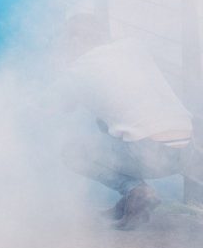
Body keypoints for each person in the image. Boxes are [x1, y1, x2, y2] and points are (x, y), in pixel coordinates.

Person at [59, 14, 200, 230]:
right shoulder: (133, 47)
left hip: (148, 151)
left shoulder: (79, 68)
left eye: (68, 39)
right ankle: (131, 199)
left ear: (76, 40)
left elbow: (59, 106)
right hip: (188, 149)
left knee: (73, 152)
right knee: (109, 125)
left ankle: (135, 190)